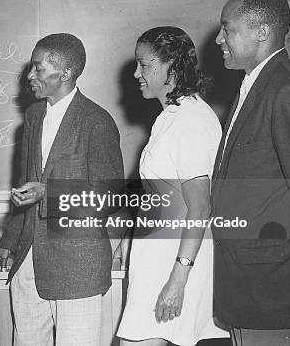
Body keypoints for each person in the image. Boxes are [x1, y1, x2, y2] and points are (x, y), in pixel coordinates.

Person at [0, 33, 124, 346]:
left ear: (64, 73)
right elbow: (26, 186)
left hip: (78, 268)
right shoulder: (34, 116)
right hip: (29, 262)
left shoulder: (97, 122)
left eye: (38, 69)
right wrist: (9, 242)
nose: (30, 76)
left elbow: (110, 196)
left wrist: (48, 194)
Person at [115, 26, 228, 345]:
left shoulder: (190, 121)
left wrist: (177, 279)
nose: (136, 73)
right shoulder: (171, 117)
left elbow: (200, 207)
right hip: (159, 261)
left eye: (144, 64)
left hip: (173, 266)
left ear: (173, 66)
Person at [211, 0, 290, 345]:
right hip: (248, 284)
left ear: (262, 32)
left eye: (227, 28)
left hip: (273, 288)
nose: (218, 39)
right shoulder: (255, 84)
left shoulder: (286, 89)